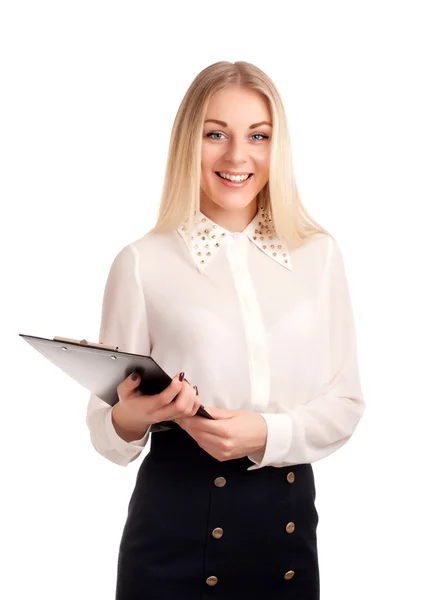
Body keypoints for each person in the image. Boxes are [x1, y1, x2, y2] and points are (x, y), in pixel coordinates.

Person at [86, 60, 366, 600]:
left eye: (257, 136)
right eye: (216, 134)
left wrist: (266, 434)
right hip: (171, 539)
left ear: (275, 147)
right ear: (189, 141)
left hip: (285, 537)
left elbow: (347, 402)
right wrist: (128, 417)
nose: (237, 156)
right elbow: (105, 429)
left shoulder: (319, 255)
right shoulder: (142, 263)